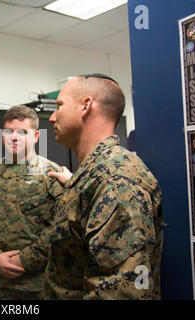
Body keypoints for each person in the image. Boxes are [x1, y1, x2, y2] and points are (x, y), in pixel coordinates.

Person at [44, 73, 163, 300]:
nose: (52, 117)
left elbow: (120, 292)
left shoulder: (115, 181)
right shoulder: (94, 176)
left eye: (59, 106)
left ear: (86, 105)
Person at [0, 105, 64, 300]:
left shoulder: (53, 175)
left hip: (41, 284)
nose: (14, 137)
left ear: (36, 136)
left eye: (22, 132)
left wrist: (24, 260)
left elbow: (60, 226)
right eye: (8, 132)